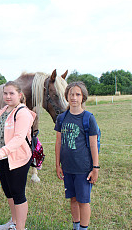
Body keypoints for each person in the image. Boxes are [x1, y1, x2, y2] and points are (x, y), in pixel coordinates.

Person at [0, 81, 36, 230]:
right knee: (8, 192)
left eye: (11, 93)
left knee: (18, 193)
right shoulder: (3, 111)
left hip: (18, 158)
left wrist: (0, 152)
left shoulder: (23, 112)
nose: (8, 96)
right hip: (2, 158)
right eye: (5, 93)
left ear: (19, 95)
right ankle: (13, 221)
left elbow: (19, 138)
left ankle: (20, 227)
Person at [54, 81, 100, 230]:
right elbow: (58, 143)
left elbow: (93, 145)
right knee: (73, 199)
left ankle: (84, 227)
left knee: (83, 201)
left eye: (77, 94)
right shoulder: (61, 118)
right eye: (71, 94)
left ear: (83, 97)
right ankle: (76, 226)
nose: (74, 97)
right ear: (66, 96)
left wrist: (95, 168)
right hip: (68, 167)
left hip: (84, 168)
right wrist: (57, 165)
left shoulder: (88, 118)